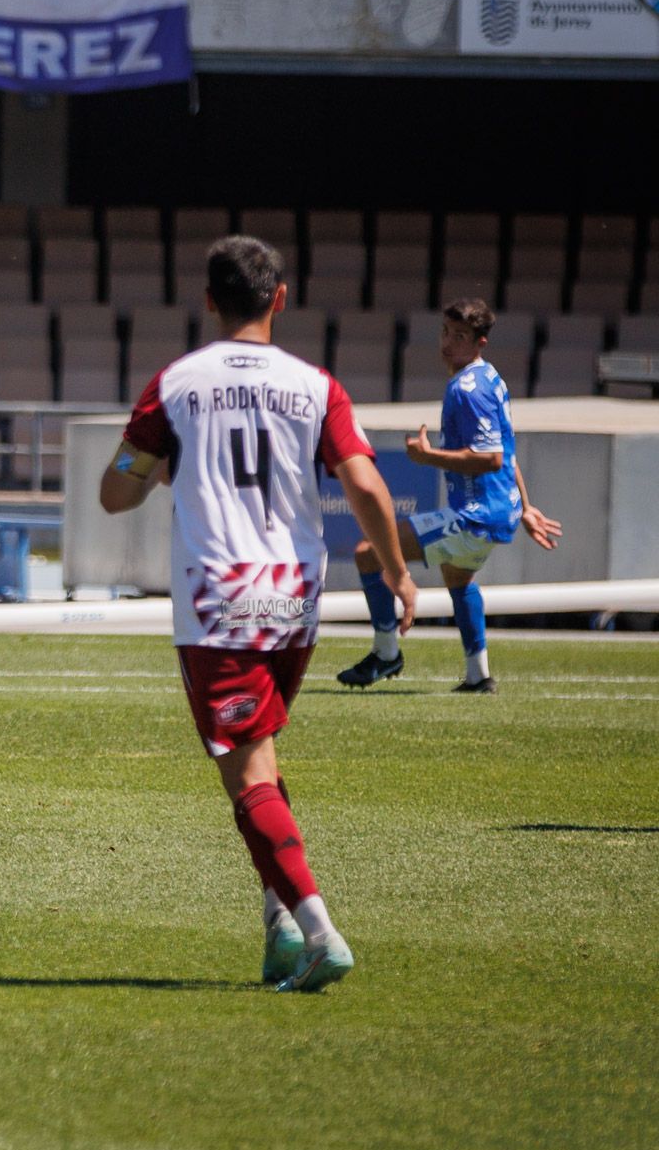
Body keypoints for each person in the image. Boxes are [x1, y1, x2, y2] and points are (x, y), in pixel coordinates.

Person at [100, 235, 417, 992]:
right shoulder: (316, 385)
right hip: (294, 598)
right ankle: (276, 929)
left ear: (209, 299)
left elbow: (116, 491)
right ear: (280, 298)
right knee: (262, 760)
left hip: (220, 601)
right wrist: (400, 574)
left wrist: (152, 466)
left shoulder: (176, 384)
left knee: (246, 775)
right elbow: (368, 488)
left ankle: (318, 930)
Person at [337, 298, 562, 694]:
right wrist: (524, 507)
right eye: (445, 332)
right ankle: (478, 675)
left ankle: (386, 654)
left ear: (480, 342)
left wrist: (427, 457)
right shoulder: (490, 378)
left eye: (460, 337)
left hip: (475, 515)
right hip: (494, 513)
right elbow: (507, 451)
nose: (448, 343)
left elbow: (491, 459)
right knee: (457, 577)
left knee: (367, 554)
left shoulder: (467, 389)